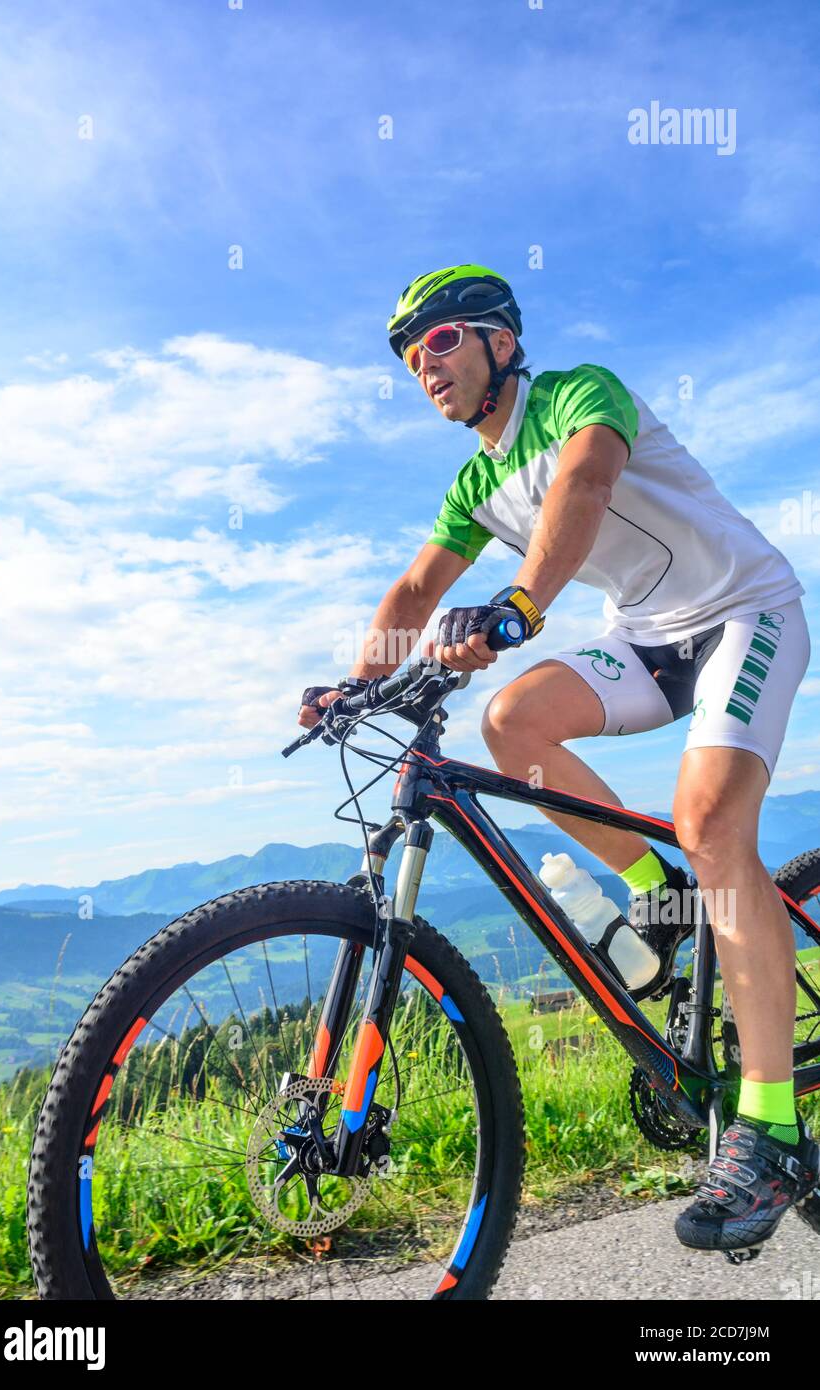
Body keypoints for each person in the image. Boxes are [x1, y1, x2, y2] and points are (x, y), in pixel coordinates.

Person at [298, 264, 818, 1254]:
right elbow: (413, 589)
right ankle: (656, 900)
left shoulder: (580, 393)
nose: (424, 366)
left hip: (744, 612)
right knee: (512, 722)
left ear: (498, 339)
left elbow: (582, 484)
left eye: (441, 340)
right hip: (650, 634)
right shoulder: (472, 480)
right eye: (411, 357)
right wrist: (355, 684)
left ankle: (771, 1131)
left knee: (713, 823)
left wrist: (519, 608)